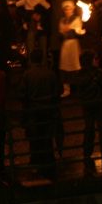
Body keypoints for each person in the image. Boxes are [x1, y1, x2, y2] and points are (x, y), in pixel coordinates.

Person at [20, 49, 62, 177]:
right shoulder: (50, 73)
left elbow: (22, 93)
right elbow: (58, 90)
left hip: (34, 110)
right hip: (48, 109)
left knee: (34, 138)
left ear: (31, 60)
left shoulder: (27, 74)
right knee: (47, 137)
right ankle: (49, 160)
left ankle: (36, 161)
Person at [73, 50, 102, 174]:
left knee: (89, 128)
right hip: (100, 104)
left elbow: (78, 91)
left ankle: (87, 152)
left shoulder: (79, 75)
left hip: (87, 105)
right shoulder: (99, 73)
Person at [58, 0, 84, 97]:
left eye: (69, 9)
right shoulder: (62, 20)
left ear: (72, 9)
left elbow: (78, 31)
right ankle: (66, 89)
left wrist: (71, 30)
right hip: (65, 45)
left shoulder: (77, 19)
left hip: (74, 45)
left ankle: (78, 89)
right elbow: (60, 32)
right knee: (65, 66)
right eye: (65, 9)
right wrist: (64, 32)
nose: (67, 11)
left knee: (75, 65)